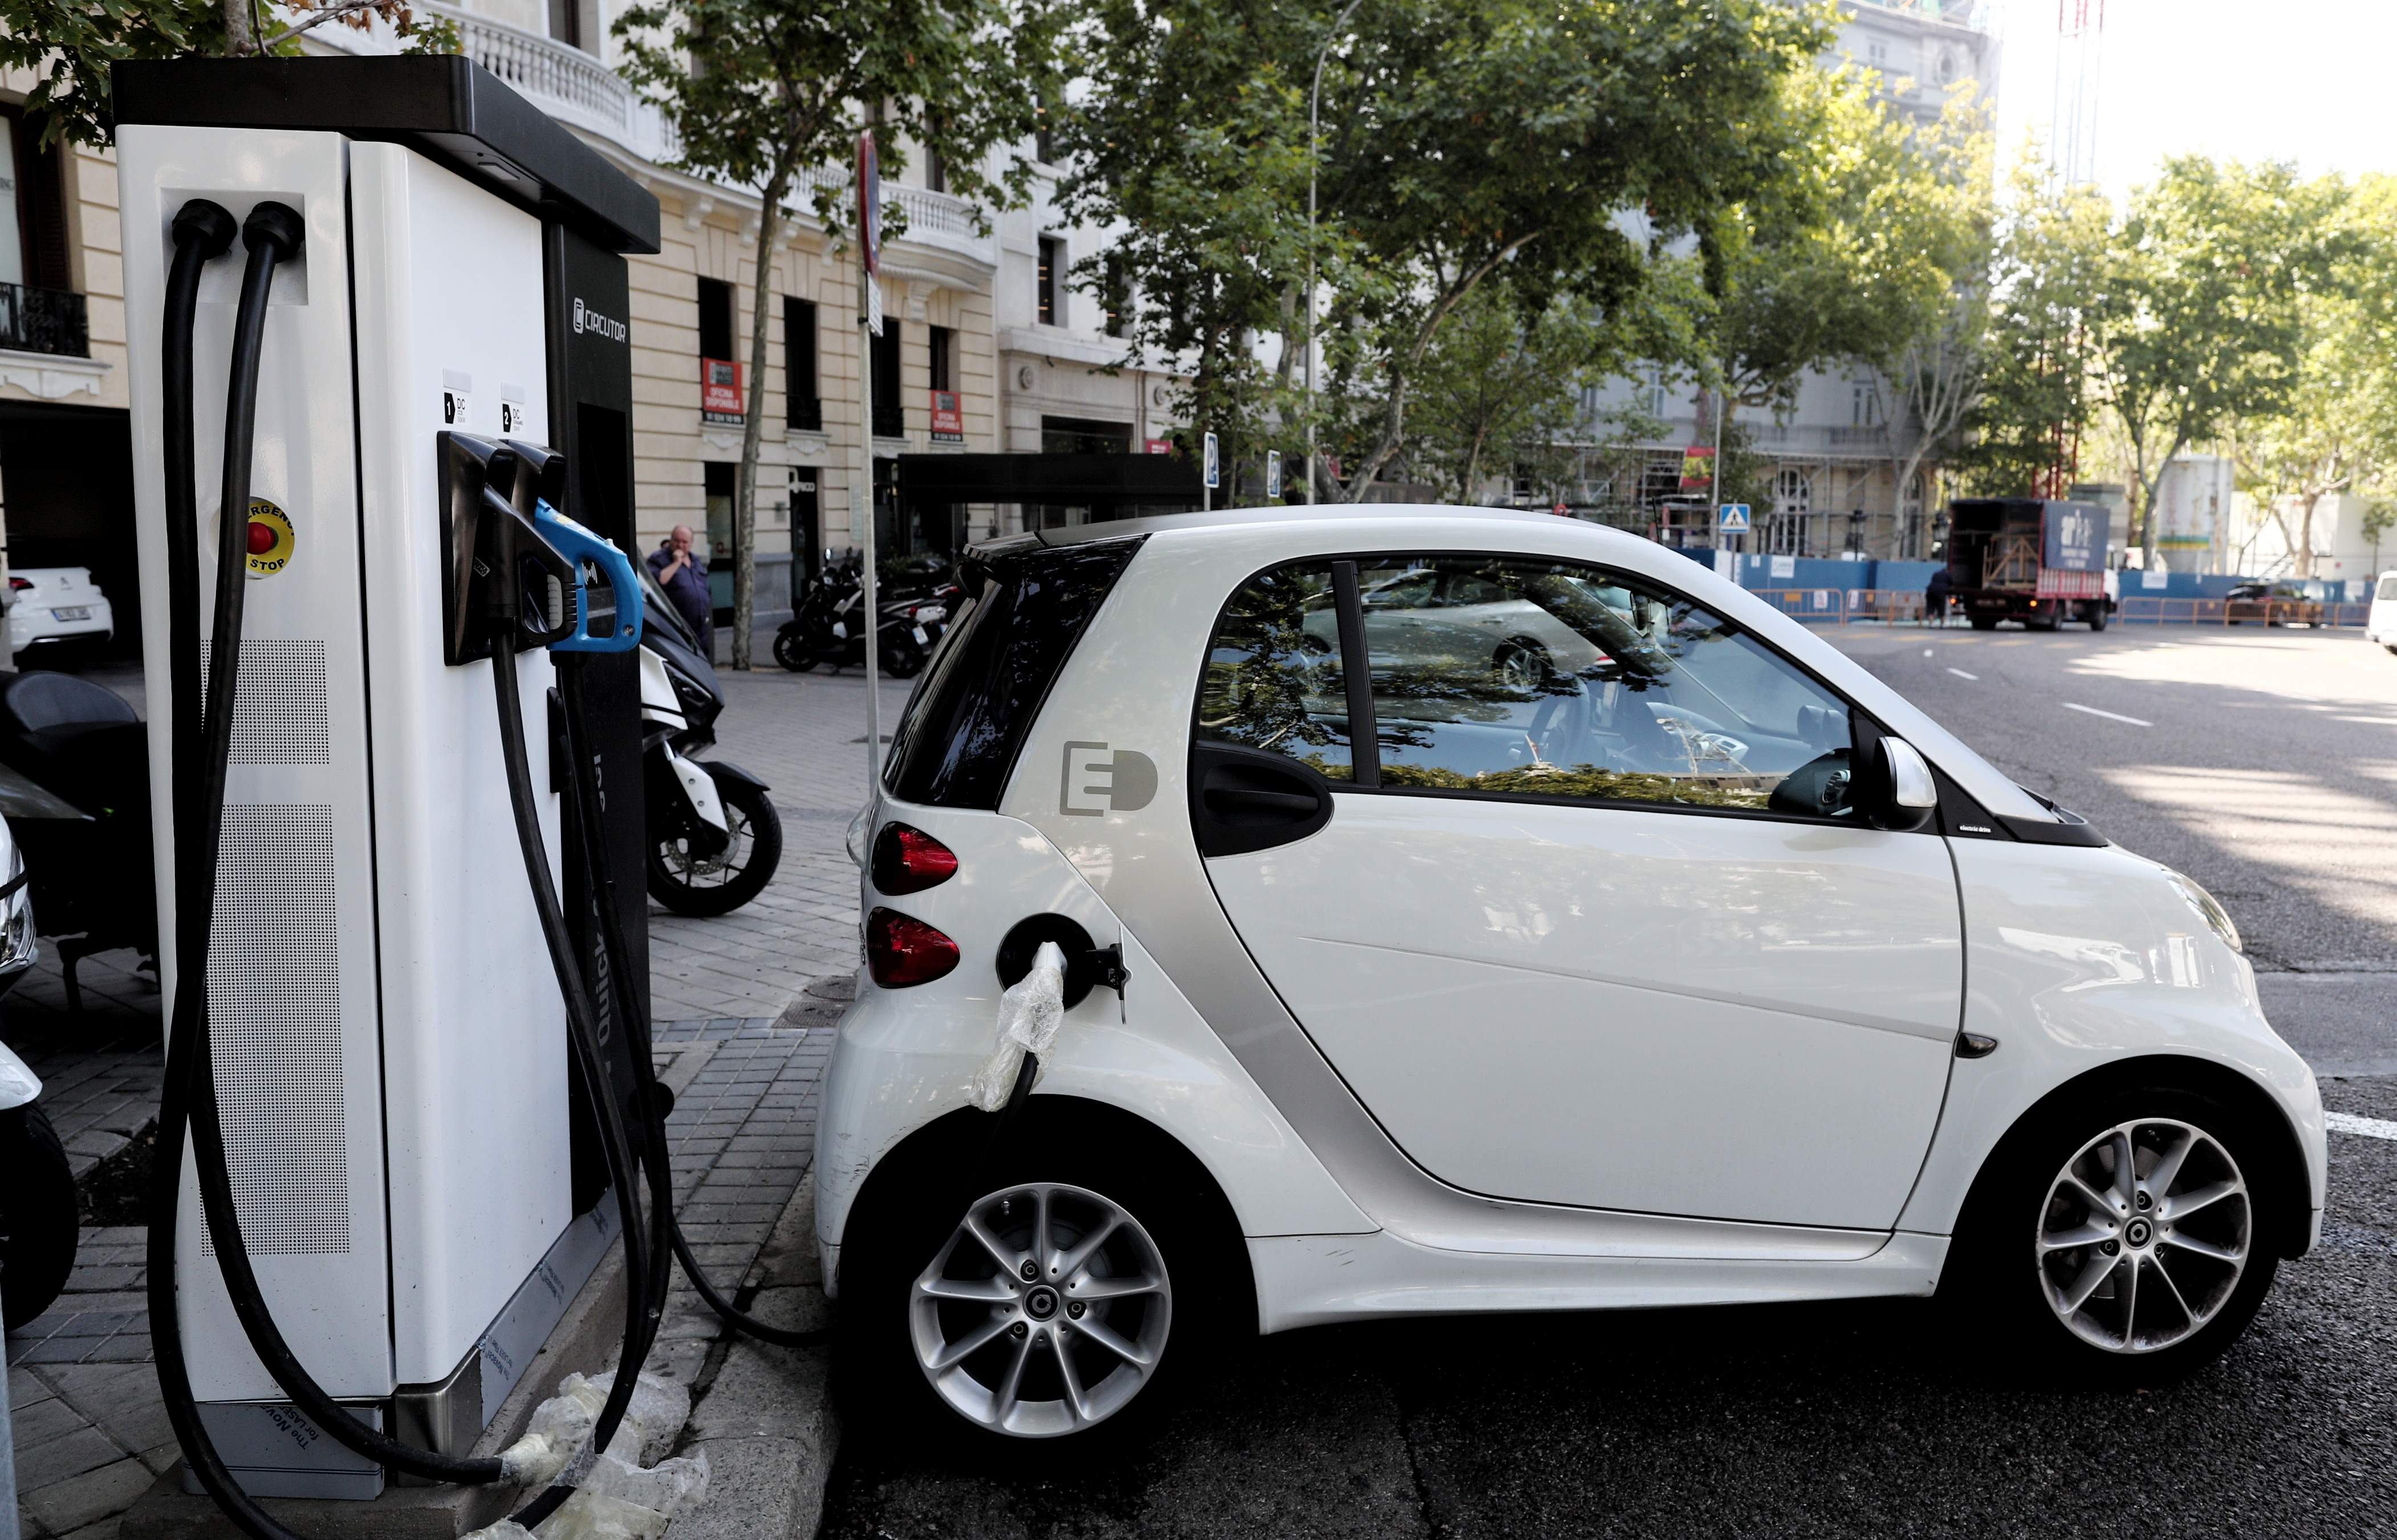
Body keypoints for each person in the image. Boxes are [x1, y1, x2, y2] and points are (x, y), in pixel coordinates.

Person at [648, 525, 713, 656]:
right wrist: (677, 562)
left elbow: (705, 586)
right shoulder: (659, 559)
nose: (680, 545)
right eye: (677, 541)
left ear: (691, 543)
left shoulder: (695, 560)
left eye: (685, 542)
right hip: (677, 626)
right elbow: (658, 581)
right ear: (671, 540)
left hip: (700, 626)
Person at [1924, 563, 1952, 627]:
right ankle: (1942, 625)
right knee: (1941, 609)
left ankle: (1931, 624)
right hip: (1941, 593)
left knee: (1931, 608)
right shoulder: (1948, 575)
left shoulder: (1936, 574)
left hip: (1931, 591)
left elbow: (1932, 581)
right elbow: (1951, 583)